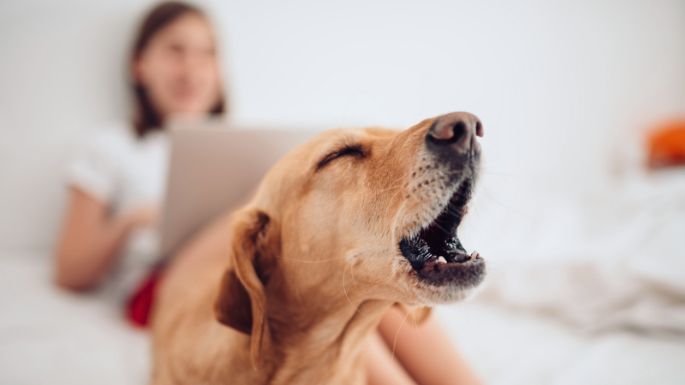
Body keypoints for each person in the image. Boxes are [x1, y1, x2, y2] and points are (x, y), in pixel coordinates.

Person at [53, 2, 481, 384]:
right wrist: (137, 217)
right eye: (175, 51)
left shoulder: (242, 140)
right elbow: (70, 270)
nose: (192, 68)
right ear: (139, 66)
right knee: (321, 300)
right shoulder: (110, 147)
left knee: (351, 286)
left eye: (207, 53)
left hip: (266, 257)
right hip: (165, 279)